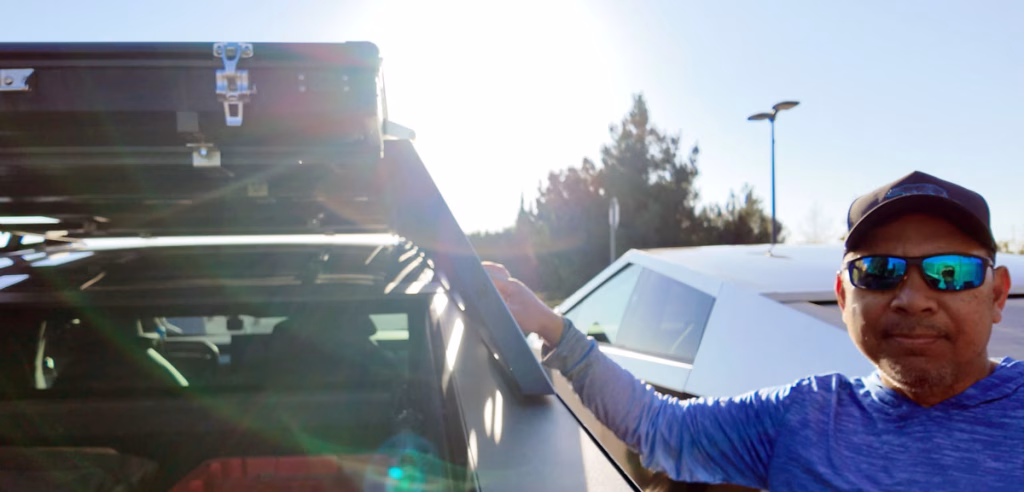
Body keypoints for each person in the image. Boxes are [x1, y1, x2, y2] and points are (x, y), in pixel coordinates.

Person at [484, 171, 1024, 490]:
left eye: (950, 273)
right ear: (843, 296)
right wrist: (547, 324)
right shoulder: (803, 415)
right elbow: (659, 427)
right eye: (878, 271)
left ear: (997, 294)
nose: (913, 298)